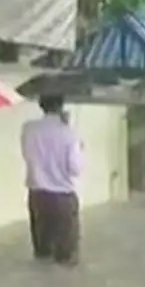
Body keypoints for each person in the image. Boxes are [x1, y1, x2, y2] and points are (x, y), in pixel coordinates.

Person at [21, 95, 84, 265]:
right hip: (63, 197)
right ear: (61, 106)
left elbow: (27, 156)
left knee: (42, 254)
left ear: (41, 105)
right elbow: (75, 169)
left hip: (37, 195)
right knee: (66, 257)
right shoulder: (69, 134)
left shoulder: (28, 129)